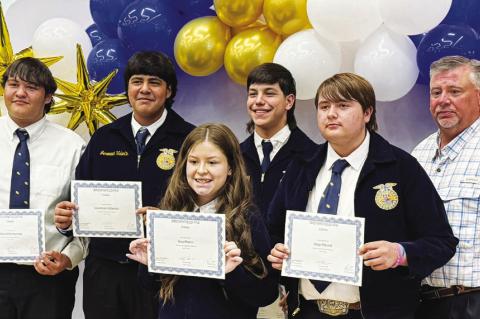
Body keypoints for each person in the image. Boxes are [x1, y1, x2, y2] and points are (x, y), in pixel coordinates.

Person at [267, 73, 458, 319]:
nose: (331, 113)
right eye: (324, 107)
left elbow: (441, 242)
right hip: (307, 311)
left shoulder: (400, 166)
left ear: (367, 113)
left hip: (375, 312)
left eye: (343, 105)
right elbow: (273, 230)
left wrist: (400, 253)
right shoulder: (301, 166)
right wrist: (277, 251)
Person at [54, 51, 195, 319]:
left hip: (162, 272)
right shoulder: (104, 137)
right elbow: (79, 198)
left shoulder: (189, 138)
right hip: (105, 272)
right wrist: (66, 222)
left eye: (154, 82)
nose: (144, 89)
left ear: (169, 91)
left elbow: (204, 204)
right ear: (128, 89)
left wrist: (165, 220)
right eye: (136, 81)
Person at [127, 123, 278, 319]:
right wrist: (148, 265)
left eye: (212, 162)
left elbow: (266, 295)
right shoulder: (171, 211)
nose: (201, 171)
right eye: (194, 161)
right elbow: (151, 287)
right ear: (183, 165)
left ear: (230, 167)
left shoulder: (248, 218)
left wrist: (232, 272)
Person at [0, 57, 87, 318]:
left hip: (48, 278)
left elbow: (86, 218)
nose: (20, 93)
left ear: (48, 97)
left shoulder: (73, 147)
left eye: (31, 87)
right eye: (13, 84)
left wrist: (69, 258)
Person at [412, 56, 480, 319]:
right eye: (436, 92)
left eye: (455, 91)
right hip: (424, 303)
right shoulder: (419, 152)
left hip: (472, 302)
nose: (443, 100)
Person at [240, 63, 316, 219]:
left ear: (289, 101)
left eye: (269, 93)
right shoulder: (234, 155)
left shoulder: (311, 156)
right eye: (253, 94)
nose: (258, 101)